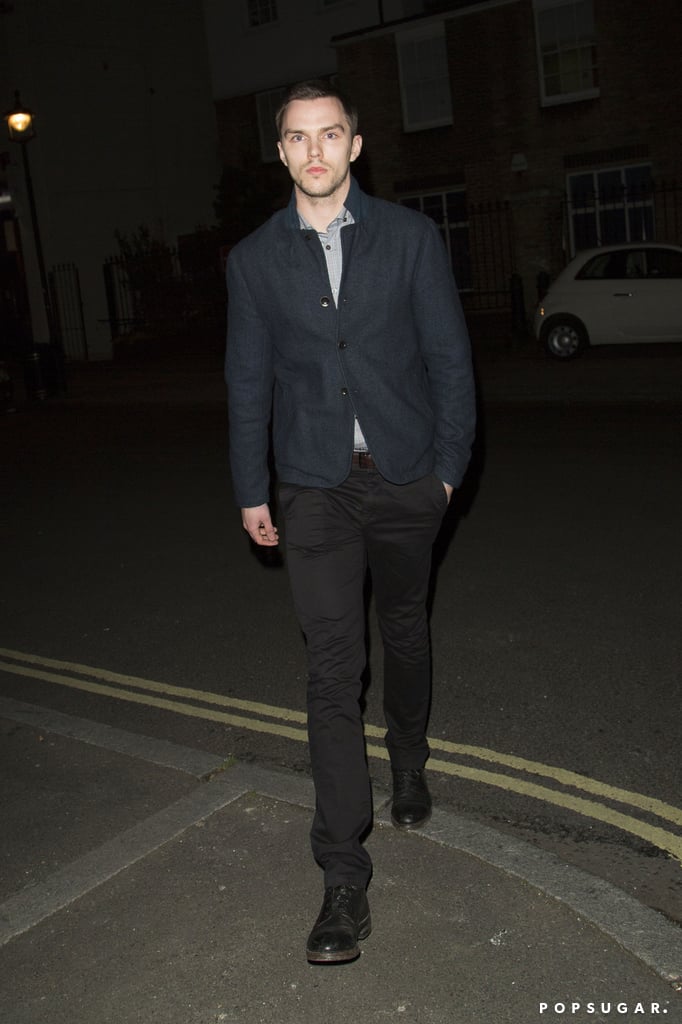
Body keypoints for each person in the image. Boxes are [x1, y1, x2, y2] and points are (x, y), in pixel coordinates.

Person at [225, 80, 475, 963]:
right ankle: (342, 876)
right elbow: (247, 379)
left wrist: (447, 474)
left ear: (356, 147)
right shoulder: (254, 261)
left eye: (332, 134)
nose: (316, 151)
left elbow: (451, 360)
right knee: (333, 670)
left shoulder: (410, 239)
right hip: (315, 489)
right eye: (299, 138)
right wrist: (252, 487)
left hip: (407, 478)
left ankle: (409, 756)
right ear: (283, 153)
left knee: (403, 628)